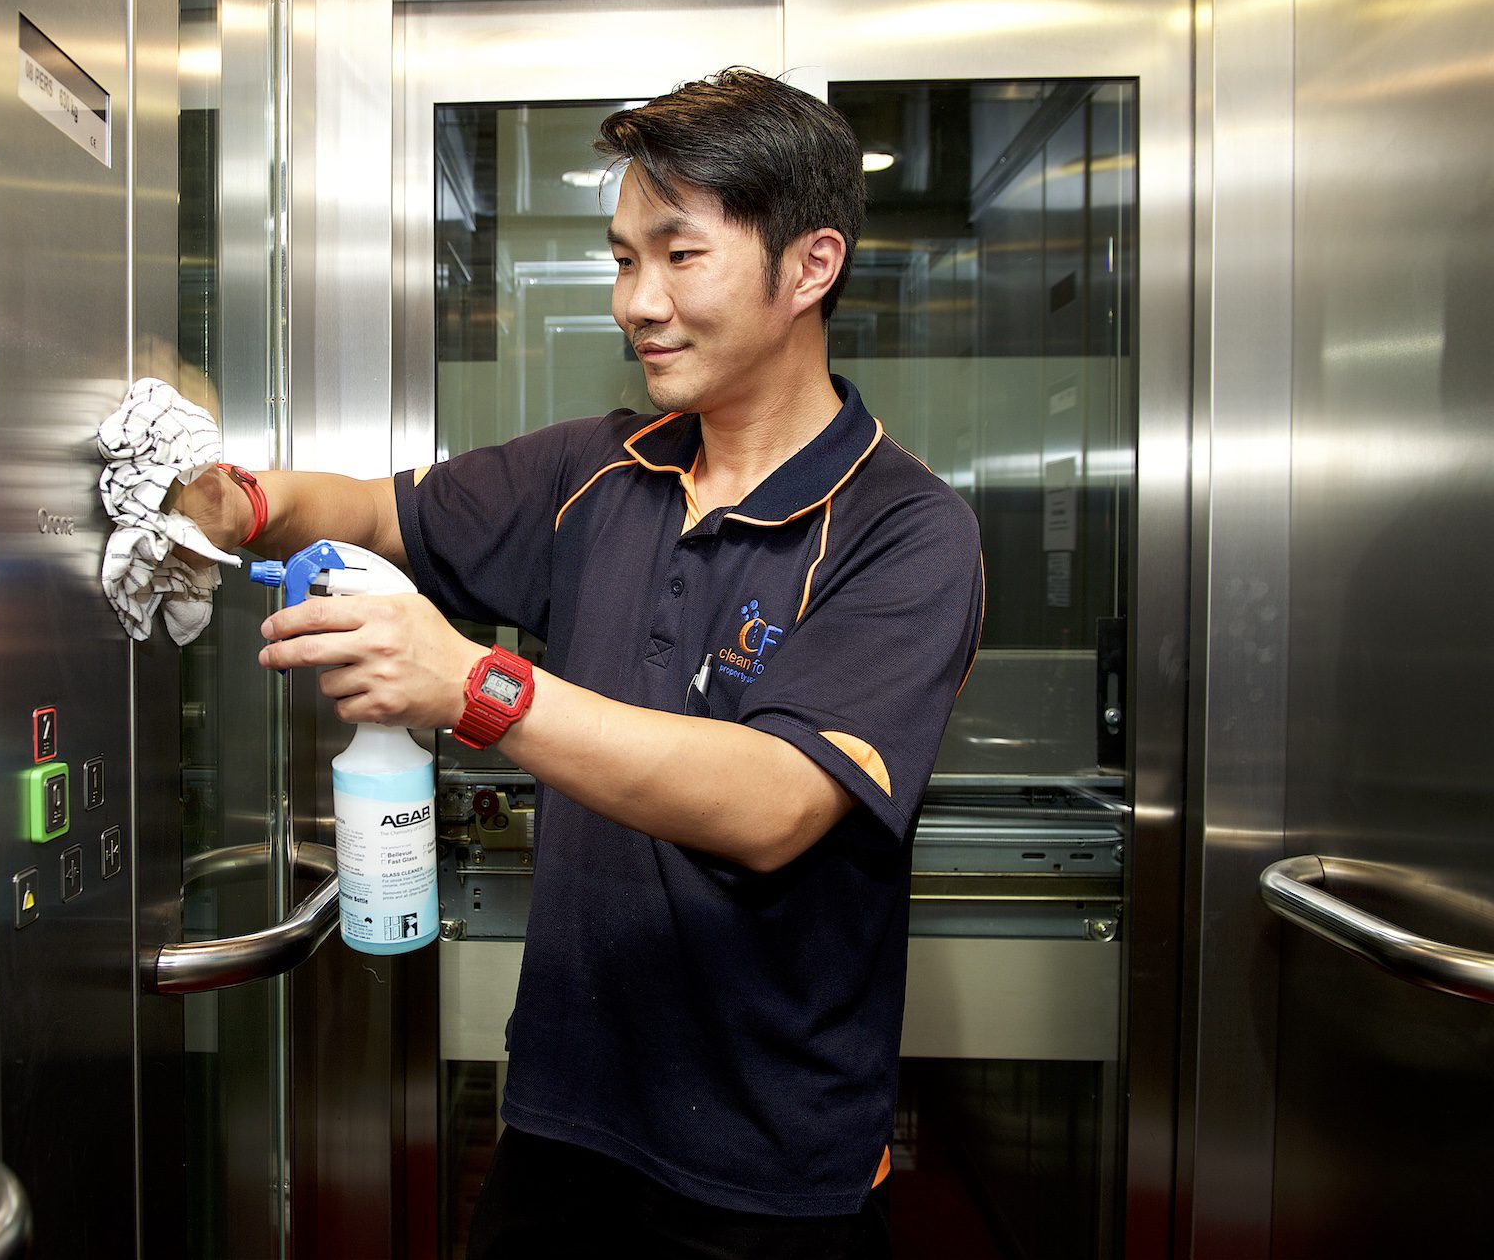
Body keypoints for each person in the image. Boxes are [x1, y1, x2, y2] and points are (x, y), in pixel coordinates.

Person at [181, 68, 982, 1258]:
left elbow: (774, 802)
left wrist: (474, 688)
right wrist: (219, 497)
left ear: (811, 266)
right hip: (563, 1125)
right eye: (620, 259)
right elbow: (363, 512)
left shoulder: (906, 529)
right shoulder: (596, 469)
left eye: (679, 255)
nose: (636, 302)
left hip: (768, 1172)